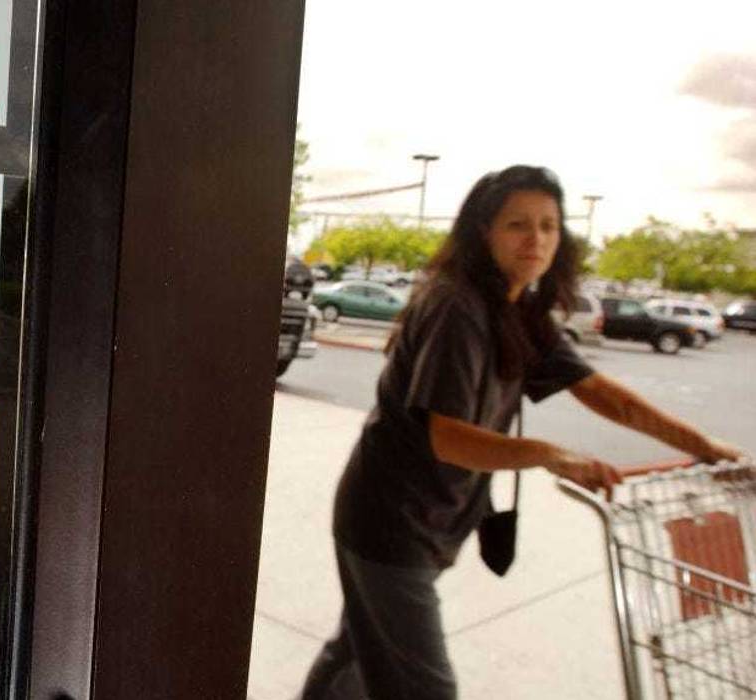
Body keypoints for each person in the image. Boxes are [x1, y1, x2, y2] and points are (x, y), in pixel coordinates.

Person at [299, 165, 743, 700]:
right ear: (483, 231)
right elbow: (450, 438)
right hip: (391, 523)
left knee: (356, 650)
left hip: (427, 521)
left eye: (549, 226)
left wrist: (702, 446)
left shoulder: (520, 310)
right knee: (424, 687)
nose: (536, 239)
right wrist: (549, 454)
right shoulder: (456, 306)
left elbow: (602, 393)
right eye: (517, 224)